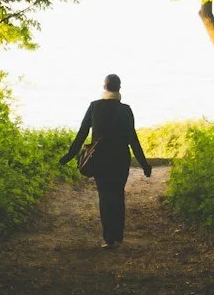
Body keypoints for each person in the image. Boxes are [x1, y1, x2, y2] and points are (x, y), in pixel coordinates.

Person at [62, 72, 151, 247]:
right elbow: (133, 139)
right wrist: (144, 164)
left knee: (105, 197)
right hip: (120, 159)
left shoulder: (94, 107)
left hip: (100, 159)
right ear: (119, 88)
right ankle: (118, 236)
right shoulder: (126, 110)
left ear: (105, 87)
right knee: (118, 195)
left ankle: (108, 238)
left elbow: (82, 133)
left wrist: (69, 155)